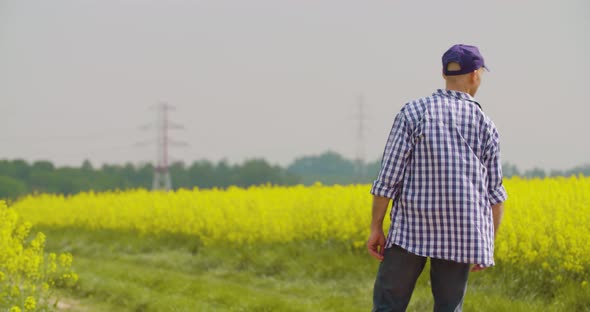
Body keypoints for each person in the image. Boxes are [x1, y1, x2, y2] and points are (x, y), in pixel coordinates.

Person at [367, 44, 507, 312]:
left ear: (444, 73)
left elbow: (388, 178)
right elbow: (494, 195)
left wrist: (376, 226)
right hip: (462, 234)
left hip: (410, 231)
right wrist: (487, 242)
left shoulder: (414, 112)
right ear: (476, 74)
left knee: (388, 306)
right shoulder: (485, 124)